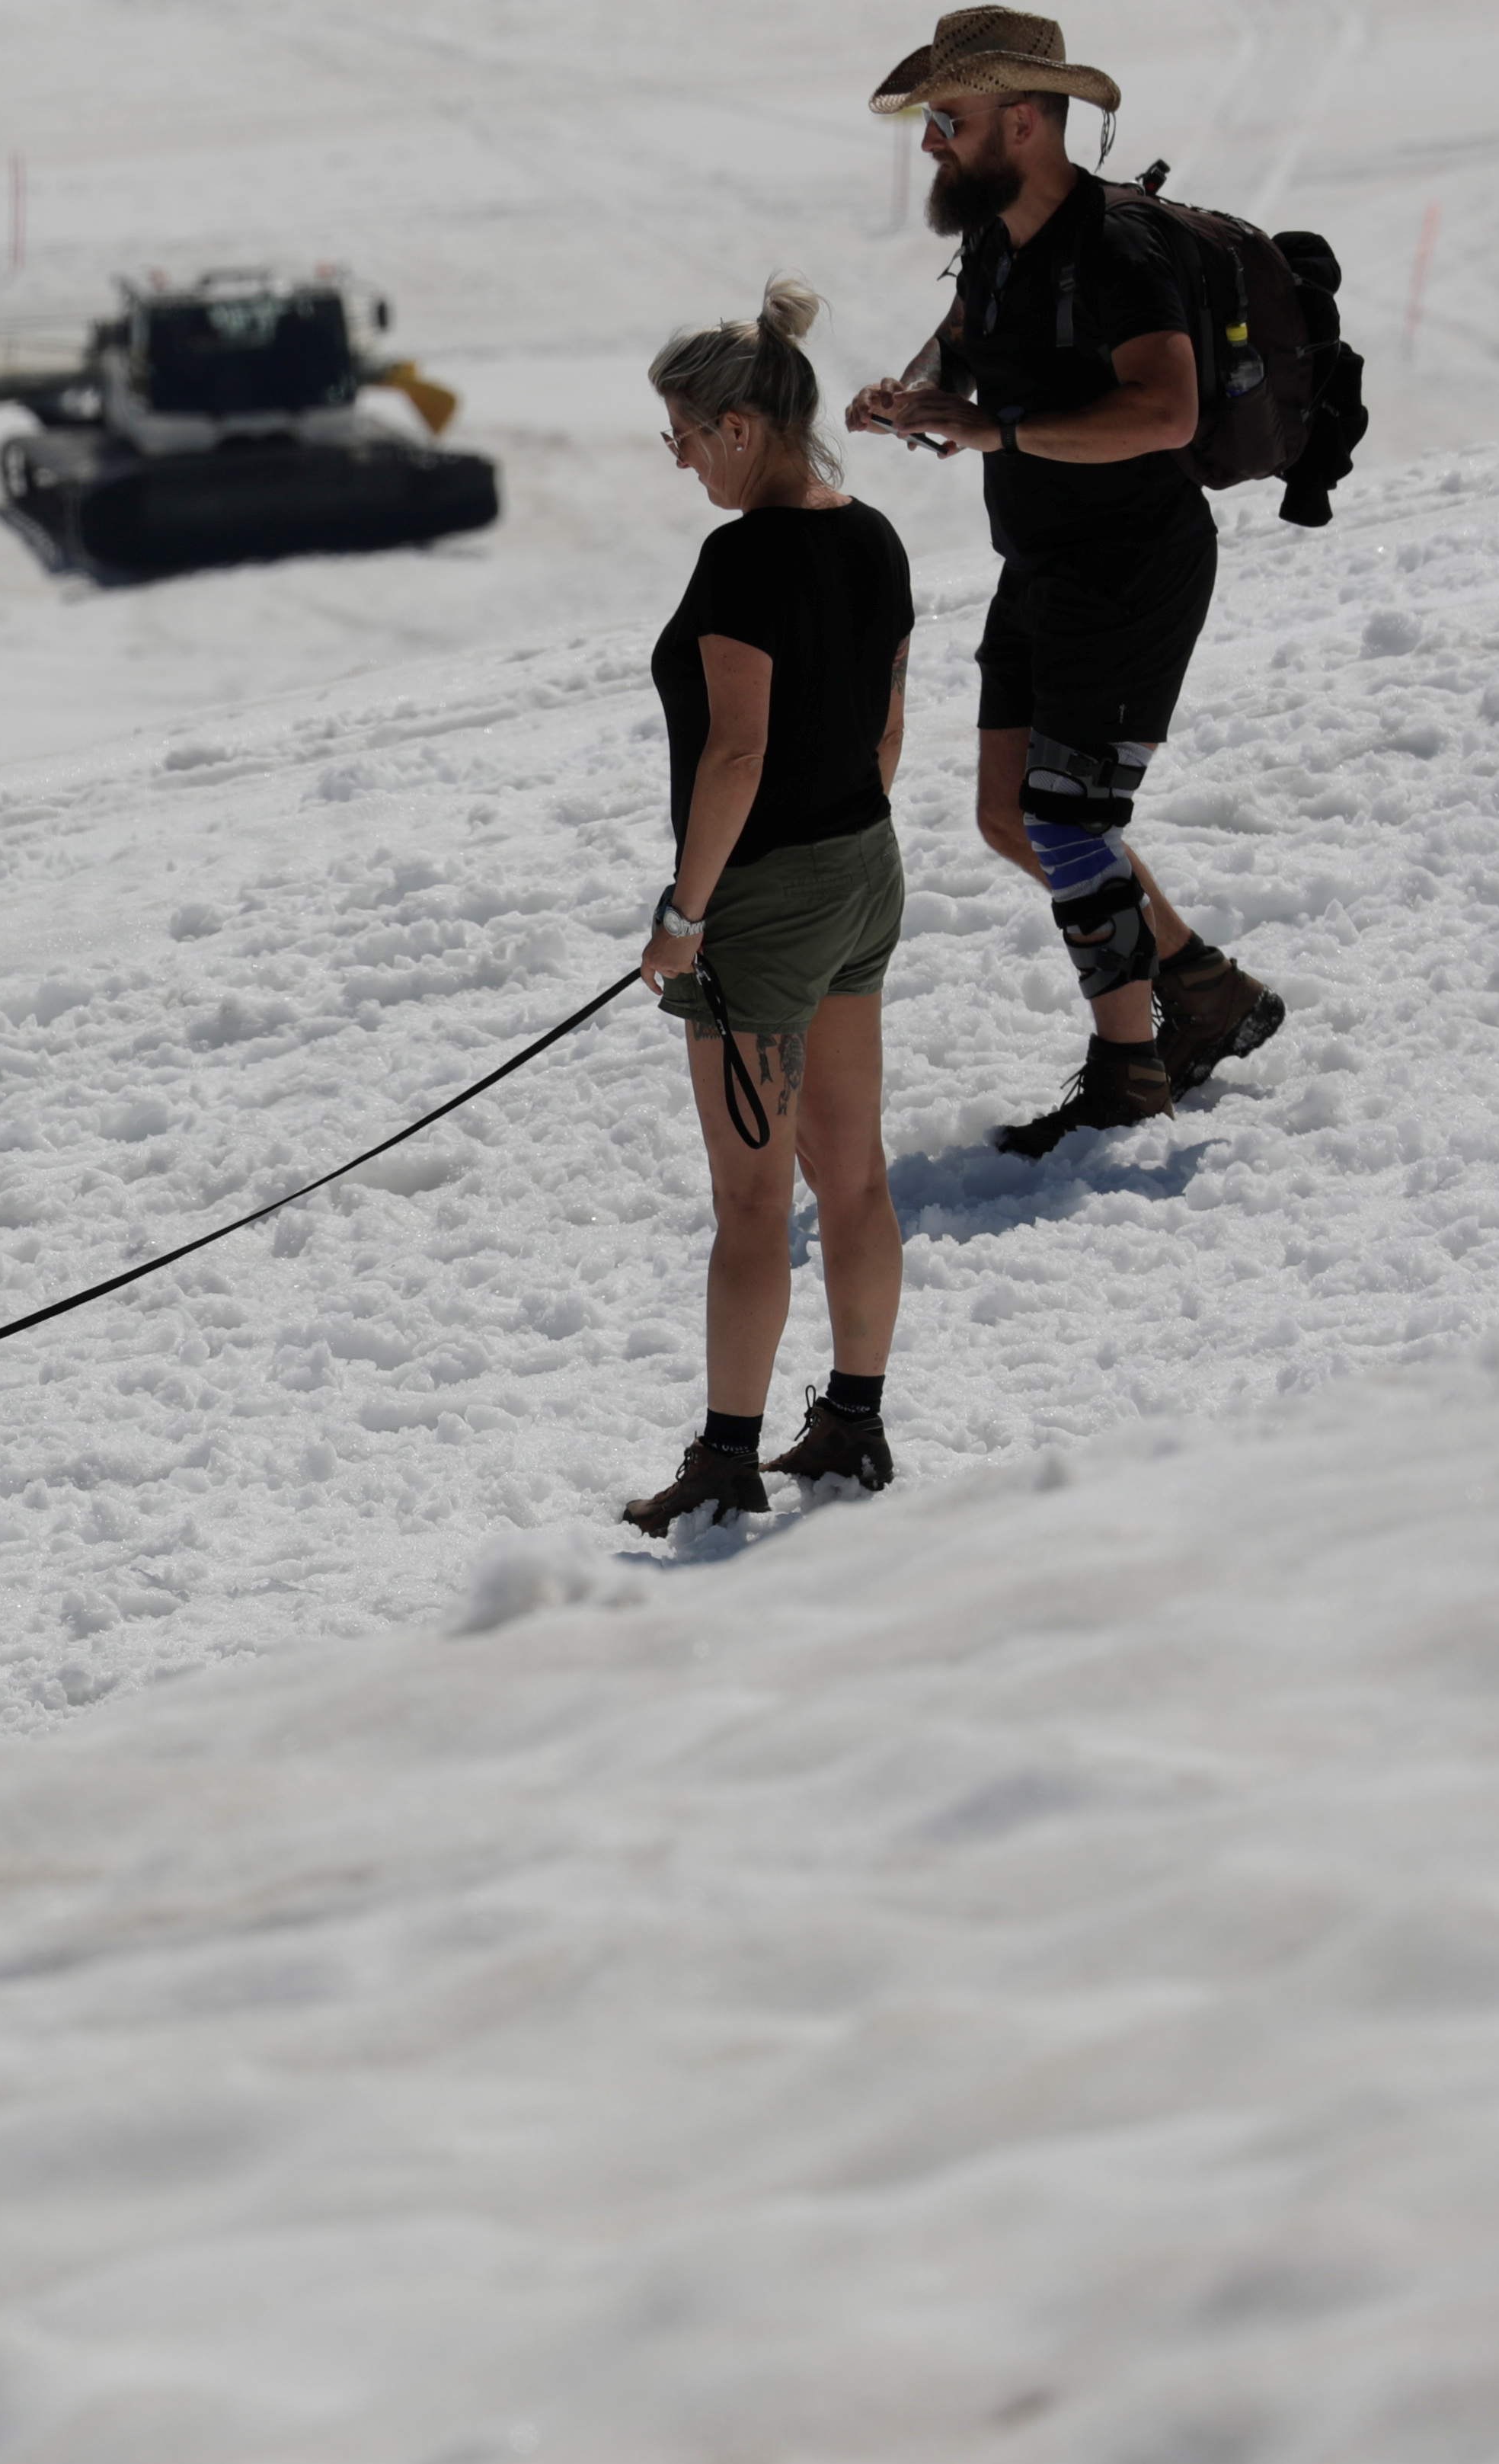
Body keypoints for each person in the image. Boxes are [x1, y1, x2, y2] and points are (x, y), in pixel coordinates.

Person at [847, 9, 1283, 1157]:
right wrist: (913, 392)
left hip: (1133, 565)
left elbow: (1167, 411)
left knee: (1068, 818)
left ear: (1025, 121)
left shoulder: (1120, 247)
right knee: (1012, 816)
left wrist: (997, 431)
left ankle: (1129, 1072)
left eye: (948, 120)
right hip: (1039, 560)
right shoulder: (998, 236)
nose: (931, 143)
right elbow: (966, 335)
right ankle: (1205, 988)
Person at [622, 285, 915, 1539]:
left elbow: (734, 757)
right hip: (862, 867)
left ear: (743, 426)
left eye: (685, 434)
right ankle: (854, 1419)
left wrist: (688, 915)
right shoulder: (876, 535)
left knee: (753, 1202)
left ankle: (728, 1458)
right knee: (853, 1177)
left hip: (766, 899)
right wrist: (835, 842)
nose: (681, 460)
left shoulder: (742, 561)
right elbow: (887, 734)